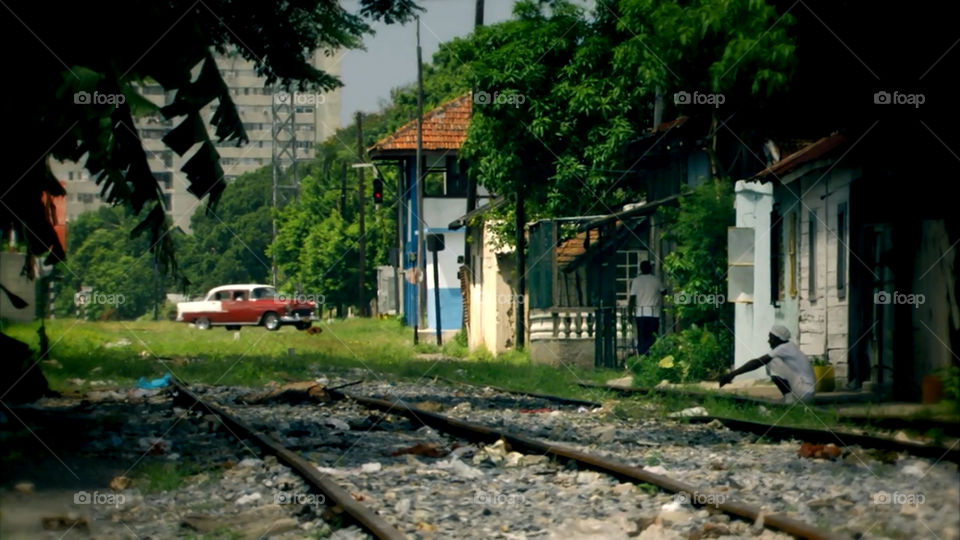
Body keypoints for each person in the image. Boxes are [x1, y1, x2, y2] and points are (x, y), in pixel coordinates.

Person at [719, 325, 815, 403]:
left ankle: (789, 399)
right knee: (770, 360)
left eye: (771, 338)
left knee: (771, 361)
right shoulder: (789, 346)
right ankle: (789, 397)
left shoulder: (783, 348)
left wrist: (732, 374)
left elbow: (757, 363)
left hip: (803, 392)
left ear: (778, 339)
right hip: (807, 392)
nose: (768, 341)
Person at [628, 261, 664, 357]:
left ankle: (642, 356)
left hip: (640, 313)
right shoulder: (656, 280)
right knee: (652, 337)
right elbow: (664, 292)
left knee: (642, 337)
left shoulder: (636, 281)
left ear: (641, 269)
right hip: (653, 313)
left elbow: (632, 298)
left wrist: (629, 313)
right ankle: (652, 355)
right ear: (650, 268)